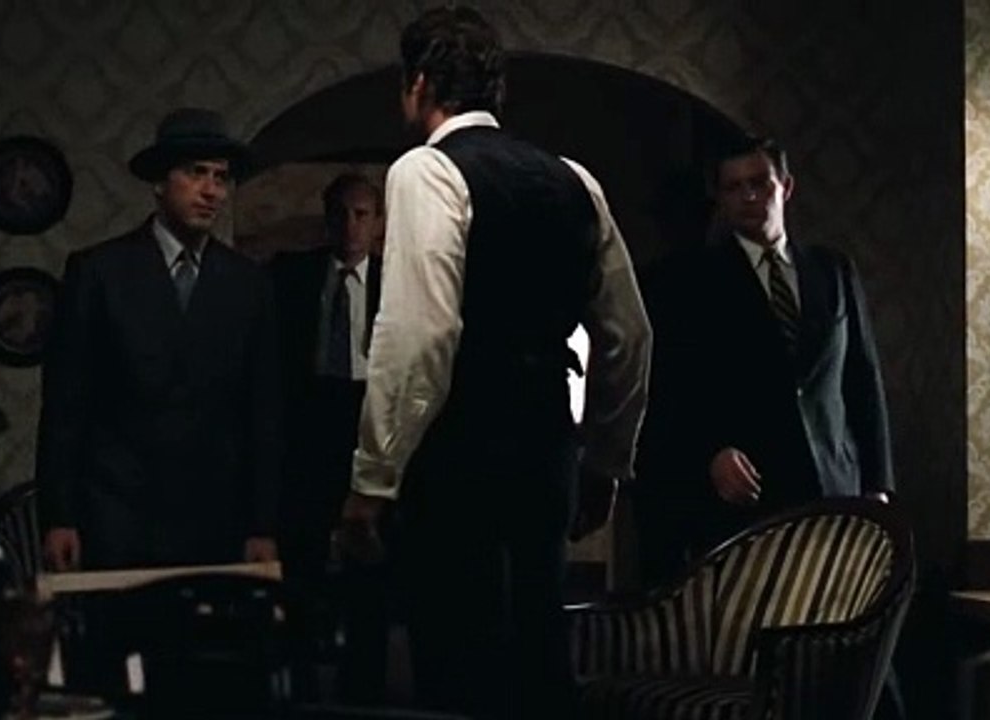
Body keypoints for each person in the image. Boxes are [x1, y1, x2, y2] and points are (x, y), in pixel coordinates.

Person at [336, 6, 652, 718]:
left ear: (419, 84)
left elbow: (421, 336)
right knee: (538, 655)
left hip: (457, 455)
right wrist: (605, 461)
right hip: (547, 452)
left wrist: (373, 479)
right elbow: (629, 336)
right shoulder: (575, 179)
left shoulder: (426, 171)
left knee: (459, 664)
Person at [635, 134, 903, 719]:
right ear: (719, 199)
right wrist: (708, 455)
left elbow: (863, 381)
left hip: (836, 491)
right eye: (733, 188)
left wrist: (877, 485)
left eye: (759, 183)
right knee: (760, 656)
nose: (748, 197)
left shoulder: (832, 270)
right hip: (750, 498)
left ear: (786, 186)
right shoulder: (687, 280)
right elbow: (669, 394)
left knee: (848, 654)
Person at [36, 107, 282, 573]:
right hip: (116, 516)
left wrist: (262, 525)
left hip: (216, 520)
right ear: (158, 182)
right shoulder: (99, 272)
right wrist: (59, 517)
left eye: (221, 178)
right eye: (196, 173)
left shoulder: (249, 283)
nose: (211, 191)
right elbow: (66, 405)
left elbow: (262, 413)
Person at [273, 172, 387, 703]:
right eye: (341, 214)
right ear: (326, 219)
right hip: (310, 421)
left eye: (362, 214)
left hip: (370, 423)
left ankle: (365, 687)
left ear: (378, 222)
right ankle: (299, 687)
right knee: (302, 559)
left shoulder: (396, 281)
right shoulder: (293, 275)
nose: (351, 226)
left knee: (371, 563)